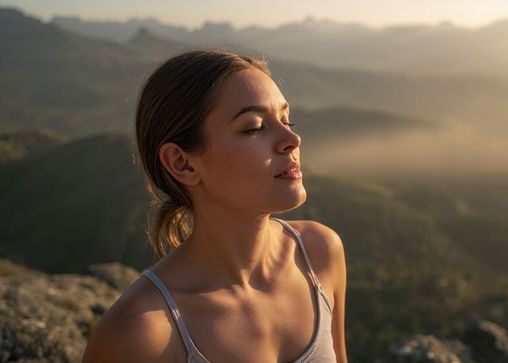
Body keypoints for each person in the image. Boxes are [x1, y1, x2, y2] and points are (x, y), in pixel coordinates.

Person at [81, 49, 348, 362]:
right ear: (182, 163)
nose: (292, 138)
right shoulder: (140, 334)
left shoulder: (319, 253)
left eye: (287, 119)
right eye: (254, 127)